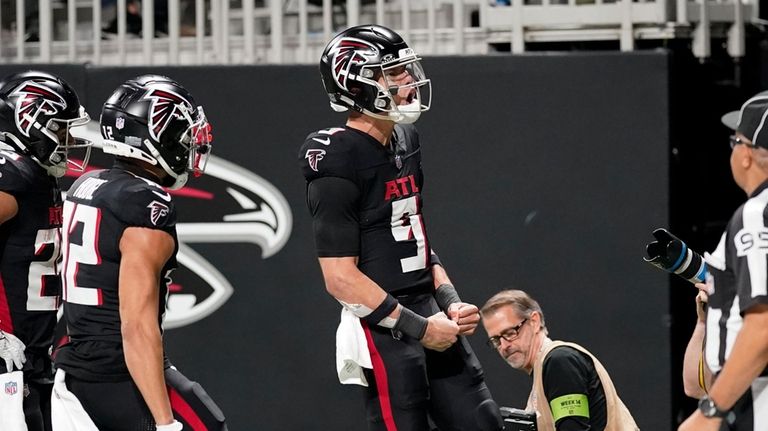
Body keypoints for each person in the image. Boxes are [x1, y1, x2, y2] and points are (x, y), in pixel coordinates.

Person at [298, 24, 504, 431]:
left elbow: (415, 236)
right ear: (357, 84)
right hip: (385, 324)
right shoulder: (338, 157)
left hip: (428, 309)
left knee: (483, 422)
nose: (409, 80)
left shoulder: (405, 139)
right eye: (393, 73)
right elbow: (339, 277)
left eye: (406, 70)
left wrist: (449, 299)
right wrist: (421, 328)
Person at [51, 74, 226, 431]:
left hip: (77, 368)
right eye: (182, 134)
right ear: (154, 137)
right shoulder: (144, 202)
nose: (190, 144)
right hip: (116, 375)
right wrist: (164, 422)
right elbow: (135, 326)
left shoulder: (89, 184)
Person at [0, 70, 90, 431]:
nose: (67, 140)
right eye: (60, 129)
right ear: (29, 124)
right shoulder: (14, 175)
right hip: (9, 361)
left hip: (32, 358)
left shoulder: (36, 175)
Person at [678, 92, 768, 431]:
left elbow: (762, 327)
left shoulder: (758, 215)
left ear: (746, 154)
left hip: (755, 399)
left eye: (735, 140)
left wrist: (711, 410)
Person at [480, 290, 638, 431]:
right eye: (496, 340)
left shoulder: (559, 361)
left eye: (509, 333)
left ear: (534, 321)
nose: (504, 345)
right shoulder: (545, 370)